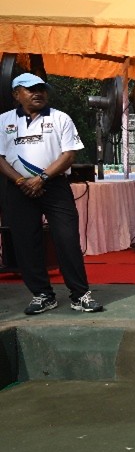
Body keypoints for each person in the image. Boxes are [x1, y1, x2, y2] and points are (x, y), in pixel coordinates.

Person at [0, 73, 104, 314]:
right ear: (16, 94)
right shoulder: (3, 121)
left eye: (42, 89)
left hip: (54, 186)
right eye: (31, 89)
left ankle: (80, 294)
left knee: (67, 239)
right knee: (26, 242)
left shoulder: (60, 118)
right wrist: (20, 181)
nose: (38, 93)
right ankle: (42, 294)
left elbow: (69, 154)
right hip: (18, 188)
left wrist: (42, 178)